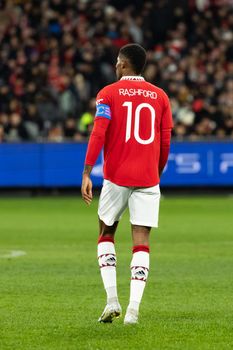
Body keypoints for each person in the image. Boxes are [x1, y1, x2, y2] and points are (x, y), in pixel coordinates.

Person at [81, 43, 173, 325]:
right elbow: (165, 141)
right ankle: (133, 310)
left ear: (123, 64)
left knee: (106, 233)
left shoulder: (108, 94)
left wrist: (87, 171)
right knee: (141, 243)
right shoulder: (160, 96)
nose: (115, 65)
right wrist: (155, 172)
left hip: (117, 176)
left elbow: (99, 132)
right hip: (147, 177)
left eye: (117, 61)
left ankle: (112, 300)